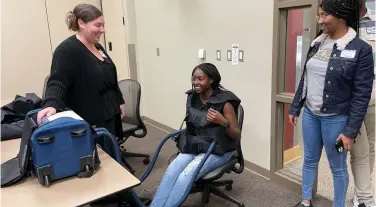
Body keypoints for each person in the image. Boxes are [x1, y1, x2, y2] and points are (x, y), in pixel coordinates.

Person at [289, 0, 375, 206]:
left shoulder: (360, 49)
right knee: (309, 159)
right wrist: (295, 106)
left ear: (341, 17)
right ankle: (306, 200)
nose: (319, 20)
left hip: (336, 119)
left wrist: (350, 131)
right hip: (310, 114)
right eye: (319, 15)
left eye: (324, 16)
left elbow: (362, 94)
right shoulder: (318, 42)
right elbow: (305, 77)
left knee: (338, 167)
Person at [150, 63, 241, 207]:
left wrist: (223, 122)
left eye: (200, 79)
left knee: (185, 177)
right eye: (194, 79)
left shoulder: (225, 102)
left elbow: (237, 135)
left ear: (211, 80)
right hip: (194, 145)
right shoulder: (192, 98)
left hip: (218, 150)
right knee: (171, 172)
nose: (196, 82)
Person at [37, 4, 125, 139]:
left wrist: (119, 100)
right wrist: (51, 104)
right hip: (91, 119)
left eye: (103, 25)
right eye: (97, 25)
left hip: (110, 114)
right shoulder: (67, 50)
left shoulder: (97, 46)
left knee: (112, 150)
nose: (102, 30)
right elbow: (58, 81)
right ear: (81, 23)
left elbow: (109, 76)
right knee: (101, 156)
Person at [350, 1, 376, 207]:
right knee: (360, 150)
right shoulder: (345, 22)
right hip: (353, 100)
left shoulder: (375, 19)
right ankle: (365, 197)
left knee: (372, 147)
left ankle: (362, 191)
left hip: (375, 97)